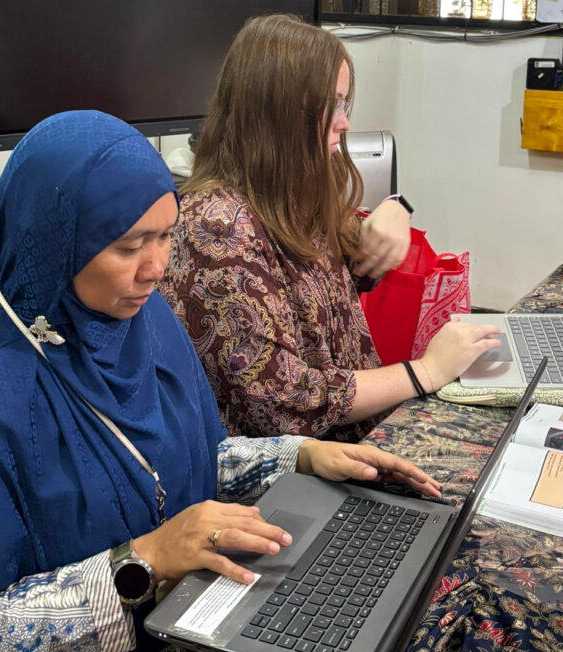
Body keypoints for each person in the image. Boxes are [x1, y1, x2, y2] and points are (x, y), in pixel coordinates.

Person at [0, 111, 440, 652]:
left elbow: (178, 464)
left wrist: (299, 457)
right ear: (54, 245)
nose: (157, 268)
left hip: (176, 632)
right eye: (129, 246)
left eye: (167, 235)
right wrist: (141, 563)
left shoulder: (142, 323)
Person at [160, 14, 500, 442]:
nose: (345, 122)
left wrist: (397, 207)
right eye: (333, 105)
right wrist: (426, 371)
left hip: (345, 443)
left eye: (345, 104)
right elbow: (282, 403)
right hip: (292, 474)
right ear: (281, 112)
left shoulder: (288, 196)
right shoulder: (216, 229)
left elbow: (354, 257)